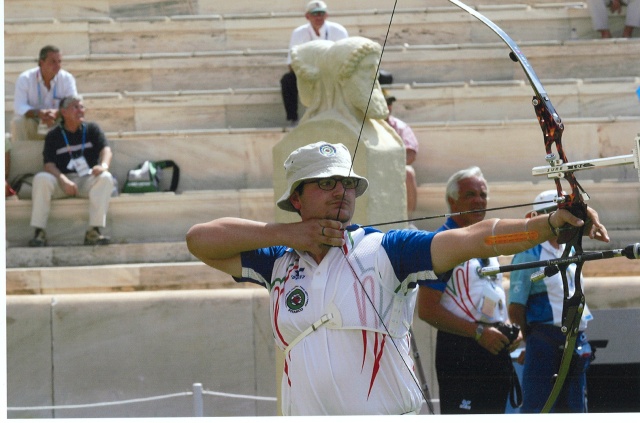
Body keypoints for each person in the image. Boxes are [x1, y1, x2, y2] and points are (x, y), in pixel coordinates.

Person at [186, 141, 609, 416]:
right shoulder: (276, 261)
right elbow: (199, 239)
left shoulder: (385, 249)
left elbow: (474, 238)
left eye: (348, 184)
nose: (342, 192)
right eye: (327, 183)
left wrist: (549, 225)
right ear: (297, 197)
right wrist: (287, 234)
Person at [416, 166, 522, 414]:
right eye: (470, 195)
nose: (479, 200)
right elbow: (426, 309)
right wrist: (478, 332)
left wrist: (508, 328)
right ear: (452, 201)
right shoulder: (442, 242)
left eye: (483, 195)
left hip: (494, 349)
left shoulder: (487, 243)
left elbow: (494, 298)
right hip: (462, 350)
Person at [508, 189, 594, 413]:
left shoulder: (570, 247)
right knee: (540, 409)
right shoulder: (528, 253)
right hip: (545, 341)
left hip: (575, 342)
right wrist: (532, 342)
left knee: (575, 409)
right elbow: (516, 307)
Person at [28, 95, 114, 247]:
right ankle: (39, 233)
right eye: (76, 107)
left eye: (82, 107)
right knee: (41, 178)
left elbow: (106, 150)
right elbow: (48, 165)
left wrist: (103, 166)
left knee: (106, 178)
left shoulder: (92, 129)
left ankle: (94, 231)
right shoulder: (54, 135)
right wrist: (63, 180)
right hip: (62, 182)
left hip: (86, 180)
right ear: (64, 112)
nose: (81, 110)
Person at [281, 1, 348, 126]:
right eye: (315, 14)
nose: (318, 17)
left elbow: (344, 57)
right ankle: (293, 118)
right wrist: (306, 73)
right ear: (307, 16)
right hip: (307, 72)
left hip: (333, 72)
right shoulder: (298, 33)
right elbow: (292, 63)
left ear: (326, 15)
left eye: (321, 13)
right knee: (287, 80)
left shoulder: (338, 31)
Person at [12, 45, 78, 141]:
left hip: (58, 119)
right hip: (33, 120)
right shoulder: (25, 78)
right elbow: (19, 106)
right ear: (41, 63)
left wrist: (57, 113)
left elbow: (73, 103)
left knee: (75, 117)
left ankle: (70, 153)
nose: (57, 65)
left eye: (59, 61)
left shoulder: (67, 78)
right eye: (53, 62)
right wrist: (38, 113)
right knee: (18, 121)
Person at [383, 89, 419, 218]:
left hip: (394, 169)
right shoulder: (364, 125)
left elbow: (411, 154)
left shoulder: (400, 127)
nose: (388, 106)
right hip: (370, 167)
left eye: (389, 102)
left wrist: (391, 167)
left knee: (408, 172)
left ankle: (409, 221)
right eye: (384, 102)